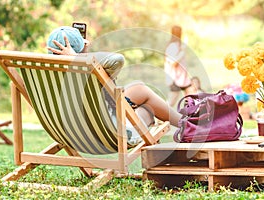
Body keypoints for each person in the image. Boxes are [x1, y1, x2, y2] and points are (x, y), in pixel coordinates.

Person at [47, 26, 182, 144]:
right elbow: (117, 59)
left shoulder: (46, 72)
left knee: (138, 87)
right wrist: (76, 58)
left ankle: (187, 124)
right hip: (109, 133)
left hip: (70, 132)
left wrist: (76, 56)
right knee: (148, 109)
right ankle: (189, 125)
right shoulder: (82, 69)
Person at [164, 25, 192, 107]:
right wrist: (183, 51)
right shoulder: (173, 46)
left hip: (182, 79)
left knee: (190, 98)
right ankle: (159, 117)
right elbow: (173, 62)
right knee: (171, 102)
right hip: (175, 79)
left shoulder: (178, 45)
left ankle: (189, 116)